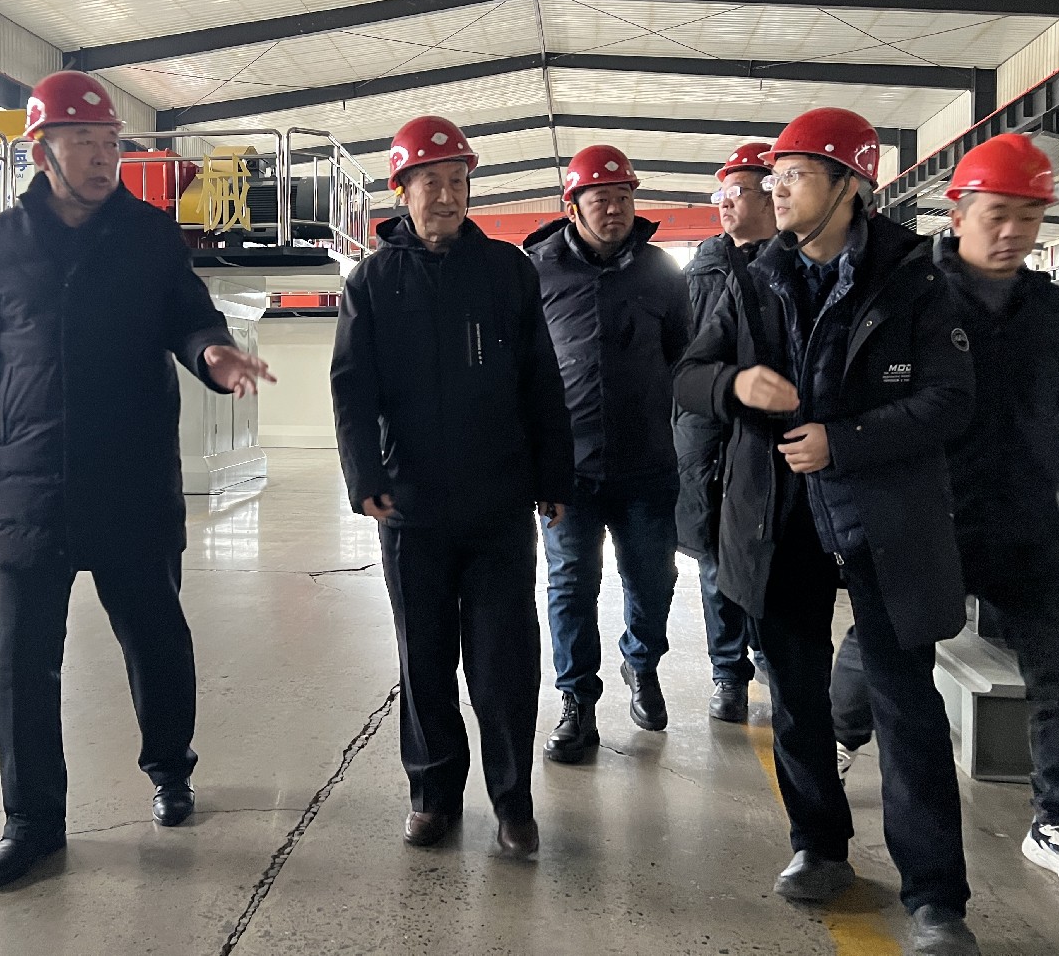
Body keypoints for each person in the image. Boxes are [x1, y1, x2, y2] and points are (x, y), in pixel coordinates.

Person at [0, 70, 273, 892]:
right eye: (82, 141)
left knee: (155, 639)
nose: (100, 157)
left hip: (131, 475)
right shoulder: (2, 241)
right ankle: (31, 823)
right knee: (22, 660)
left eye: (110, 143)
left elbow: (188, 316)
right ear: (42, 152)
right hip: (33, 479)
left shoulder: (150, 235)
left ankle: (170, 768)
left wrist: (213, 352)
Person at [673, 107, 982, 955]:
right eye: (773, 176)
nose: (775, 190)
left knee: (904, 704)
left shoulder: (916, 282)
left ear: (851, 186)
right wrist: (736, 387)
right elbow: (689, 375)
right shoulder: (751, 279)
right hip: (777, 520)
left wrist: (845, 442)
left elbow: (950, 400)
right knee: (796, 697)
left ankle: (936, 898)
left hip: (883, 521)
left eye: (796, 175)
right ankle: (818, 845)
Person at [830, 133, 1059, 899]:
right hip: (925, 518)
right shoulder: (907, 297)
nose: (1013, 231)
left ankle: (1058, 819)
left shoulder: (1054, 312)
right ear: (958, 213)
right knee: (879, 648)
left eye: (1029, 216)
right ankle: (838, 739)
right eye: (998, 214)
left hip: (1027, 523)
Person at [331, 115, 573, 856]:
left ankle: (513, 804)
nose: (446, 195)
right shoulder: (373, 282)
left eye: (458, 181)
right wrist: (364, 477)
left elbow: (541, 381)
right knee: (425, 657)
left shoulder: (507, 271)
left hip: (498, 503)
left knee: (505, 660)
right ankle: (433, 796)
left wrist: (552, 475)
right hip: (412, 506)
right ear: (402, 191)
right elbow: (352, 388)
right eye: (430, 182)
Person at [522, 145, 691, 758]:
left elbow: (682, 354)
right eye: (601, 199)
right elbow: (522, 370)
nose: (615, 209)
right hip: (567, 470)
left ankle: (641, 663)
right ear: (573, 206)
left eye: (624, 197)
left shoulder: (662, 272)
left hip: (648, 463)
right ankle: (577, 702)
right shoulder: (537, 271)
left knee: (652, 579)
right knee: (570, 585)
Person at [673, 141, 777, 724]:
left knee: (769, 553)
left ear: (771, 195)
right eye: (722, 192)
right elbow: (683, 361)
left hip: (765, 433)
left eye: (737, 191)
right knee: (713, 556)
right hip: (703, 432)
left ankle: (770, 658)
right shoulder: (703, 269)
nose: (725, 203)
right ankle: (729, 673)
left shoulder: (790, 265)